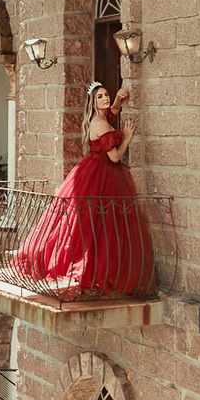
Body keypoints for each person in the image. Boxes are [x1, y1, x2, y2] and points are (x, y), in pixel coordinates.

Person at [11, 81, 155, 298]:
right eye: (100, 97)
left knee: (97, 224)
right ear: (93, 103)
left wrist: (116, 102)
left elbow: (110, 115)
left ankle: (102, 269)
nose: (105, 99)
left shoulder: (100, 119)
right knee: (93, 225)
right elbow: (115, 156)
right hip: (102, 173)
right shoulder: (99, 124)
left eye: (106, 94)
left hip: (97, 172)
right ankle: (92, 272)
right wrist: (126, 137)